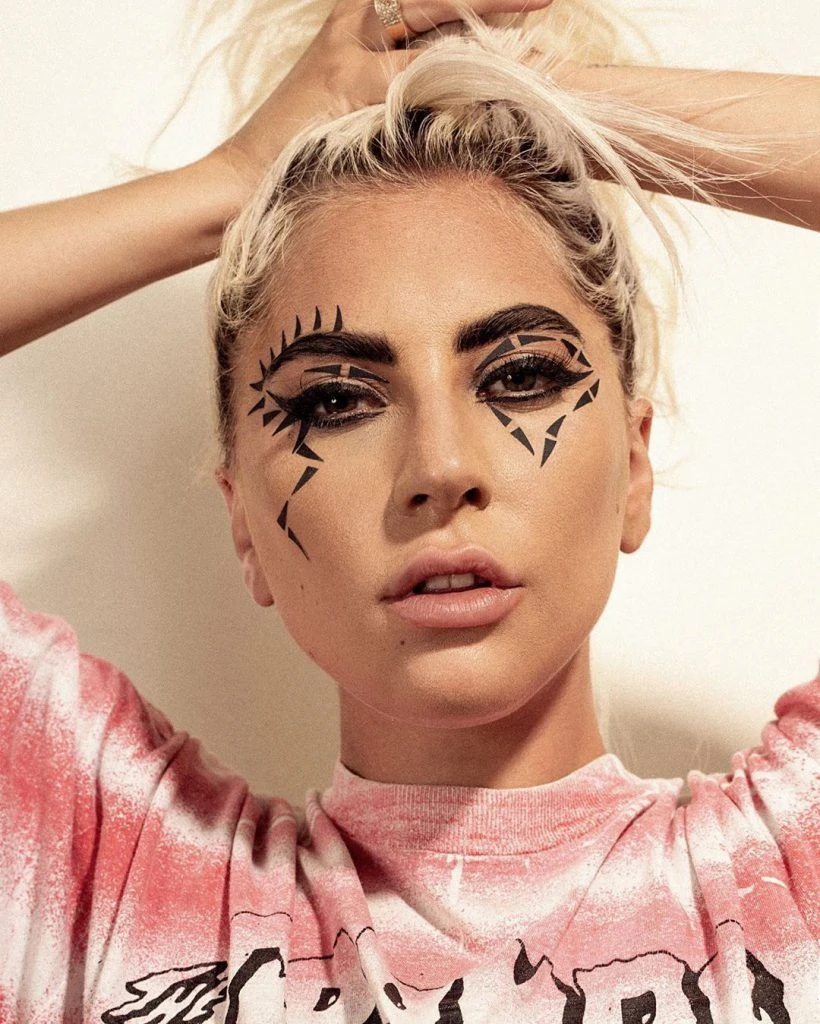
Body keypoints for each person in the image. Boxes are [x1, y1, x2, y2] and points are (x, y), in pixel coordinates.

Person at [0, 0, 817, 1020]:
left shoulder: (790, 883)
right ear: (243, 521)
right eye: (336, 401)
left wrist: (540, 101)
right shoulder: (101, 878)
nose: (440, 466)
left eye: (519, 377)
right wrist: (225, 185)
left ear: (635, 467)